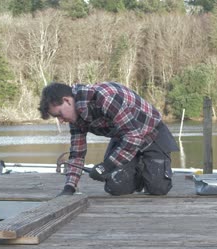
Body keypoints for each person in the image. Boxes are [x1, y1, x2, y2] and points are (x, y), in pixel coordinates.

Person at [38, 82, 179, 196]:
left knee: (158, 189)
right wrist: (69, 188)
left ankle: (147, 169)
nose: (61, 120)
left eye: (59, 115)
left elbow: (134, 136)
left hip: (151, 134)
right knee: (115, 188)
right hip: (123, 138)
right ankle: (138, 171)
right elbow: (77, 154)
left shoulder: (105, 97)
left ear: (67, 100)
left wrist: (107, 166)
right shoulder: (75, 119)